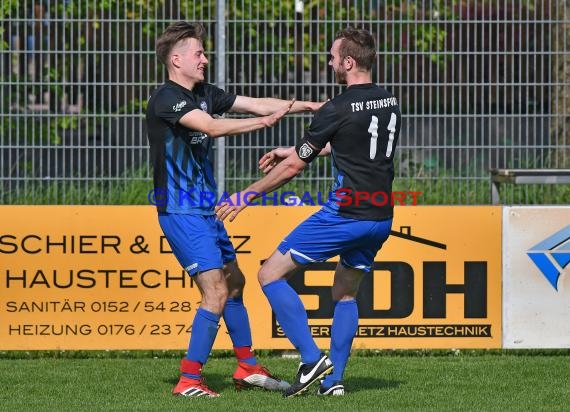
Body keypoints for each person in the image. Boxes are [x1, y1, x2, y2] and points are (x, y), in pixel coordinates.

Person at [216, 26, 401, 397]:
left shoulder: (335, 107)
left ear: (348, 62)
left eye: (333, 57)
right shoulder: (388, 101)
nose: (330, 62)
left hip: (345, 215)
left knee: (269, 274)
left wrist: (246, 195)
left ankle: (311, 358)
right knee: (346, 294)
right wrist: (296, 148)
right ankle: (333, 384)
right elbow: (354, 145)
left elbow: (293, 169)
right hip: (380, 217)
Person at [145, 21, 323, 398]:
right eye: (199, 54)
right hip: (180, 211)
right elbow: (209, 127)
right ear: (176, 60)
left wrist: (306, 106)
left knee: (236, 284)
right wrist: (262, 123)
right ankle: (189, 379)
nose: (205, 59)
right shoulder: (167, 98)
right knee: (215, 294)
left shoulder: (205, 91)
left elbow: (255, 102)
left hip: (206, 211)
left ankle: (247, 367)